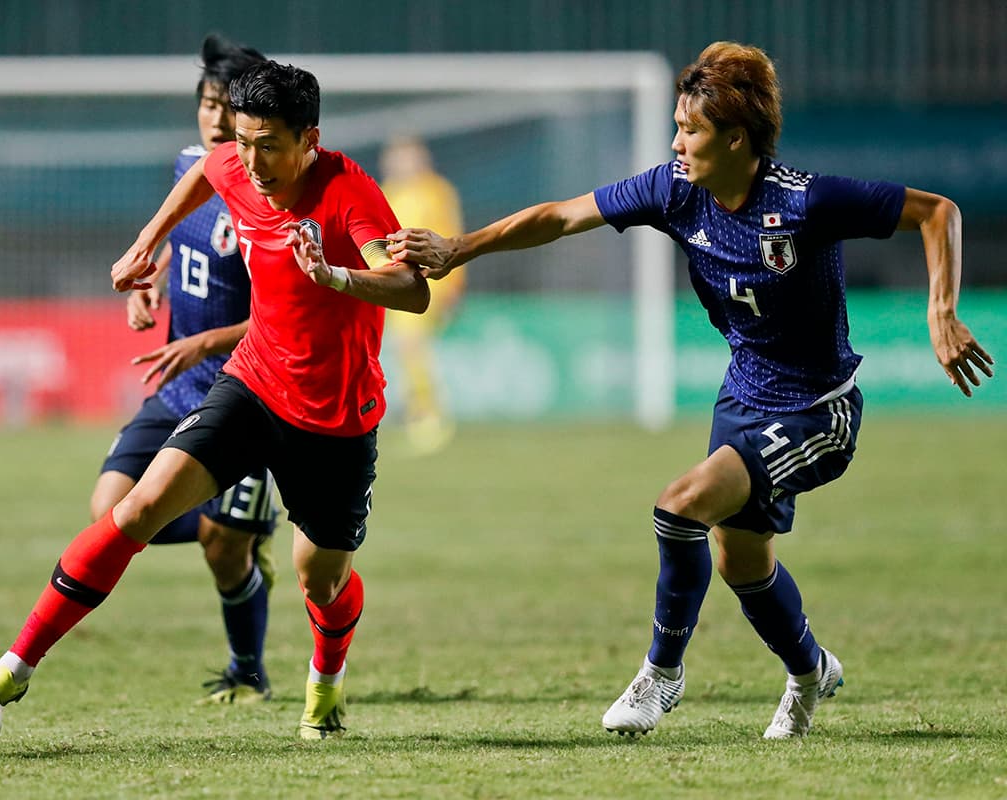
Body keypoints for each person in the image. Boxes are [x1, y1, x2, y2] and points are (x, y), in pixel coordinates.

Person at [388, 41, 993, 739]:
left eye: (691, 129)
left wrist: (940, 309)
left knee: (678, 506)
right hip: (743, 397)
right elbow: (559, 216)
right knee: (743, 564)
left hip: (818, 409)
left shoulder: (808, 201)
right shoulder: (674, 190)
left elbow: (937, 211)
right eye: (676, 125)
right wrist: (458, 248)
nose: (676, 142)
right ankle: (809, 673)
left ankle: (662, 675)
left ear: (736, 139)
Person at [0, 59, 430, 741]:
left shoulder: (349, 193)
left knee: (322, 579)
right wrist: (147, 240)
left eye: (268, 145)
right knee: (133, 507)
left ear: (310, 137)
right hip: (251, 386)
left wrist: (334, 274)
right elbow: (206, 171)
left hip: (335, 419)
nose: (250, 161)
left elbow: (411, 287)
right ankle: (11, 670)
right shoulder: (238, 163)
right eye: (243, 141)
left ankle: (326, 683)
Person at [90, 34, 278, 704]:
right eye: (207, 103)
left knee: (224, 551)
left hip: (248, 396)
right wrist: (153, 282)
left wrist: (205, 344)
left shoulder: (270, 196)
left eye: (228, 106)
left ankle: (248, 670)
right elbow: (184, 244)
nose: (216, 119)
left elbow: (293, 313)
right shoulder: (188, 167)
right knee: (107, 513)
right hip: (179, 390)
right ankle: (228, 523)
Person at [378, 134, 466, 454]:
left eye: (408, 156)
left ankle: (428, 414)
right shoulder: (388, 192)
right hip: (394, 281)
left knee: (410, 345)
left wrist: (455, 283)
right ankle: (418, 409)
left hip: (431, 281)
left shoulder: (437, 191)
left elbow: (454, 236)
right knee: (407, 351)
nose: (402, 164)